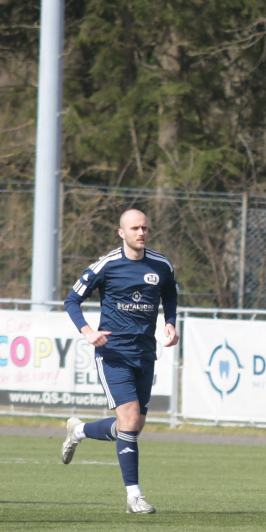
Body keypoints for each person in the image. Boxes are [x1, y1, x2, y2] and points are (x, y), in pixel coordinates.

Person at [60, 209, 179, 514]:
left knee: (134, 425)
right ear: (121, 232)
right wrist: (88, 332)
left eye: (145, 228)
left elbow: (169, 293)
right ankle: (134, 497)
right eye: (135, 228)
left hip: (145, 354)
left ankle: (79, 431)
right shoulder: (107, 265)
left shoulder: (161, 264)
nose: (141, 233)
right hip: (113, 354)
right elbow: (72, 299)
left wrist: (170, 321)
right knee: (128, 421)